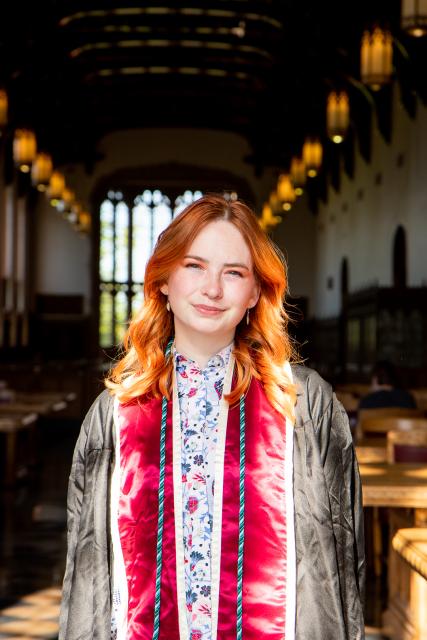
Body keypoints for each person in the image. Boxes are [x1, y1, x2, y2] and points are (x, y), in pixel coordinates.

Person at [59, 194, 365, 640]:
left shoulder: (301, 403)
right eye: (194, 266)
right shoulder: (115, 413)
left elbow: (340, 553)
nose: (213, 289)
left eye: (234, 272)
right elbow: (87, 567)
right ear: (163, 279)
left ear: (256, 290)